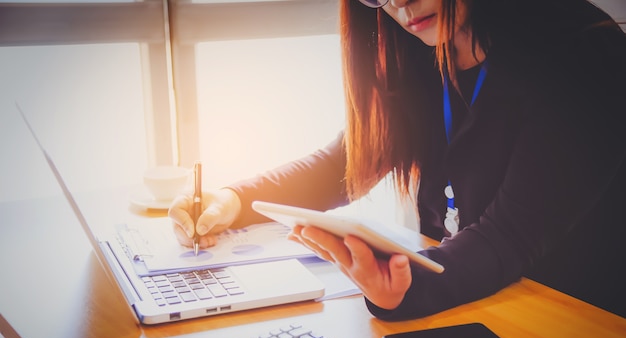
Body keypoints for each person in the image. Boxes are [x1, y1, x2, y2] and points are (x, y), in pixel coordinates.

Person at [169, 0, 626, 319]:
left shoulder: (586, 54)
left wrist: (405, 292)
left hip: (571, 329)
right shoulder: (425, 44)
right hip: (477, 307)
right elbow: (350, 160)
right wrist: (234, 200)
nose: (401, 4)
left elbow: (509, 237)